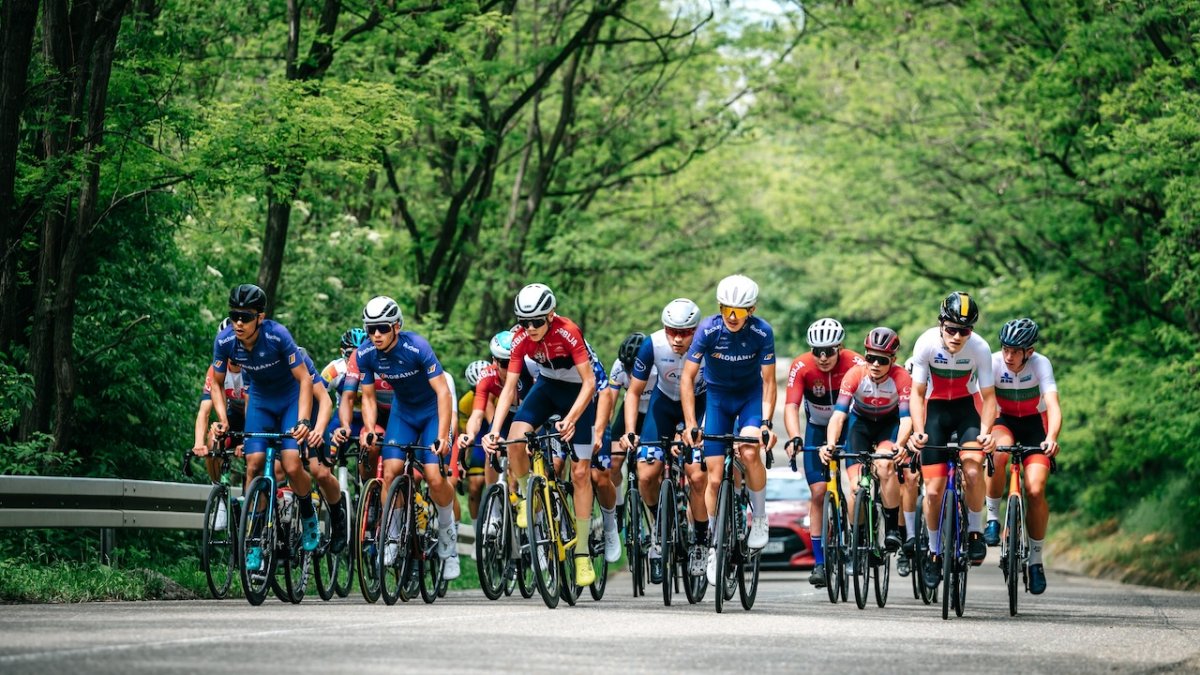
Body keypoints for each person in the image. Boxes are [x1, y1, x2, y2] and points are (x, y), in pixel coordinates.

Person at [482, 283, 604, 586]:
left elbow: (590, 384)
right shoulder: (521, 337)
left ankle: (583, 554)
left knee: (580, 472)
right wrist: (493, 432)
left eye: (537, 321)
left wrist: (572, 418)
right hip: (548, 386)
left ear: (550, 315)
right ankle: (528, 496)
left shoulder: (567, 331)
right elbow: (509, 388)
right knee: (515, 439)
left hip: (578, 392)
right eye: (525, 322)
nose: (531, 327)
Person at [348, 296, 460, 580]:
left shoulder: (417, 347)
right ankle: (393, 535)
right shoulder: (366, 354)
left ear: (397, 326)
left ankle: (449, 540)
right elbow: (369, 397)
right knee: (392, 471)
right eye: (371, 328)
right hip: (403, 413)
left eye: (382, 328)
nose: (376, 334)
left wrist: (444, 435)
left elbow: (443, 393)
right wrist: (371, 428)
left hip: (432, 412)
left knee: (434, 475)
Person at [209, 284, 319, 572]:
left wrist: (304, 421)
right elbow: (217, 384)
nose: (239, 323)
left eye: (246, 317)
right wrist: (222, 419)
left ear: (260, 316)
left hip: (289, 398)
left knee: (293, 464)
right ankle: (255, 539)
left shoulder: (277, 335)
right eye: (234, 316)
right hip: (259, 398)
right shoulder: (224, 341)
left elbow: (305, 380)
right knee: (254, 464)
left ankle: (308, 513)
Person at [680, 275, 777, 586]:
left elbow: (770, 382)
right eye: (727, 310)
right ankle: (712, 542)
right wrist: (692, 424)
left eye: (740, 310)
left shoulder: (763, 332)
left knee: (750, 449)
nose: (733, 317)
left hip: (749, 397)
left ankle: (760, 519)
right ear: (719, 308)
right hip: (718, 399)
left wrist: (765, 423)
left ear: (752, 310)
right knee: (713, 471)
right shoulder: (707, 330)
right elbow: (687, 379)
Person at [907, 291, 998, 589]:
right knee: (932, 492)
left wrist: (986, 432)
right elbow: (917, 395)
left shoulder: (980, 349)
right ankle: (934, 552)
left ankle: (974, 531)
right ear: (940, 324)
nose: (957, 336)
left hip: (965, 411)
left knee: (972, 469)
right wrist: (919, 431)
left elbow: (988, 398)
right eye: (951, 329)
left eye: (965, 330)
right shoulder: (926, 344)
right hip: (935, 412)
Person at [620, 298, 711, 580]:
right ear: (664, 327)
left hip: (701, 404)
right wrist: (630, 430)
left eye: (685, 332)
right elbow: (633, 392)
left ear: (696, 330)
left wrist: (702, 430)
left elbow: (720, 392)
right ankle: (658, 524)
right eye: (672, 330)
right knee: (646, 472)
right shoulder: (653, 344)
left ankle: (699, 541)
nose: (678, 338)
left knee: (696, 475)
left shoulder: (709, 345)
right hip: (665, 404)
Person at [818, 328, 912, 566]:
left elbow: (906, 420)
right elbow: (838, 416)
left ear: (893, 360)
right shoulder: (854, 375)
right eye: (871, 357)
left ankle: (892, 529)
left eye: (883, 360)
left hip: (888, 426)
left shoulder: (901, 378)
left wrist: (900, 445)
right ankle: (858, 540)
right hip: (860, 425)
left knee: (885, 464)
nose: (876, 364)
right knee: (854, 487)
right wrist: (830, 443)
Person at [782, 318, 864, 588]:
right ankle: (819, 563)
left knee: (854, 488)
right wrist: (794, 436)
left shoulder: (855, 363)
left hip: (849, 426)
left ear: (840, 347)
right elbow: (791, 406)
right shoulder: (802, 366)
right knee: (818, 493)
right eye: (818, 351)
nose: (823, 357)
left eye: (829, 350)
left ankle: (857, 541)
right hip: (817, 429)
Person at [984, 318, 1060, 594]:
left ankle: (1036, 560)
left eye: (1016, 351)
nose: (1009, 356)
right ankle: (992, 518)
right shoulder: (992, 362)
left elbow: (1052, 406)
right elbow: (984, 403)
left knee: (1036, 489)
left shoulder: (1041, 364)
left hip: (1033, 426)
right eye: (1005, 348)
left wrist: (1051, 438)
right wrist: (984, 433)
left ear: (1029, 351)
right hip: (1004, 421)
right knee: (999, 453)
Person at [192, 317, 246, 529]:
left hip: (255, 416)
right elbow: (204, 412)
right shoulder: (216, 371)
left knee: (256, 456)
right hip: (232, 418)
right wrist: (199, 444)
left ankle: (254, 500)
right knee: (213, 441)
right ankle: (220, 495)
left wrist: (249, 439)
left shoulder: (252, 367)